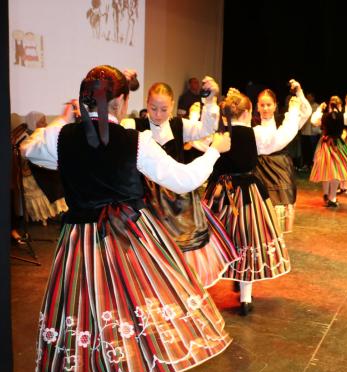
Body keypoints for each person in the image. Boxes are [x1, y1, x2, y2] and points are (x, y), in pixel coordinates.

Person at [21, 65, 232, 372]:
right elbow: (183, 180)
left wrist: (63, 121)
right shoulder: (136, 142)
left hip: (80, 244)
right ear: (121, 100)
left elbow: (29, 150)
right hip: (127, 239)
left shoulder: (60, 138)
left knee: (91, 312)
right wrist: (215, 151)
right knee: (133, 308)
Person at [121, 79, 239, 289]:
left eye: (164, 109)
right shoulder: (133, 127)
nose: (158, 114)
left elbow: (207, 128)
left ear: (173, 105)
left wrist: (210, 100)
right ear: (146, 104)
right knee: (153, 253)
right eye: (153, 108)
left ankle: (182, 291)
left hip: (180, 203)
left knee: (183, 253)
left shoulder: (178, 125)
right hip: (147, 203)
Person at [203, 89, 303, 316]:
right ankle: (246, 298)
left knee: (217, 236)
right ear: (248, 112)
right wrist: (293, 112)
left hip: (221, 193)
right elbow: (281, 137)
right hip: (248, 194)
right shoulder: (255, 135)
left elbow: (205, 150)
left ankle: (205, 281)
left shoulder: (220, 135)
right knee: (248, 239)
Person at [251, 81, 312, 233]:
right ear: (257, 106)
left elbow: (306, 112)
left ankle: (278, 246)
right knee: (261, 210)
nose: (265, 108)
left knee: (280, 209)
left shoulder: (284, 120)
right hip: (259, 169)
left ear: (275, 105)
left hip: (281, 169)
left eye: (269, 105)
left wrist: (299, 92)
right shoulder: (251, 123)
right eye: (262, 105)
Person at [309, 96, 347, 207]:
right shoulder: (344, 116)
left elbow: (313, 121)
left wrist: (319, 109)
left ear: (329, 105)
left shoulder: (323, 116)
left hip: (326, 144)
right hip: (338, 145)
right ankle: (332, 197)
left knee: (326, 169)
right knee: (336, 171)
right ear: (340, 105)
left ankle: (325, 193)